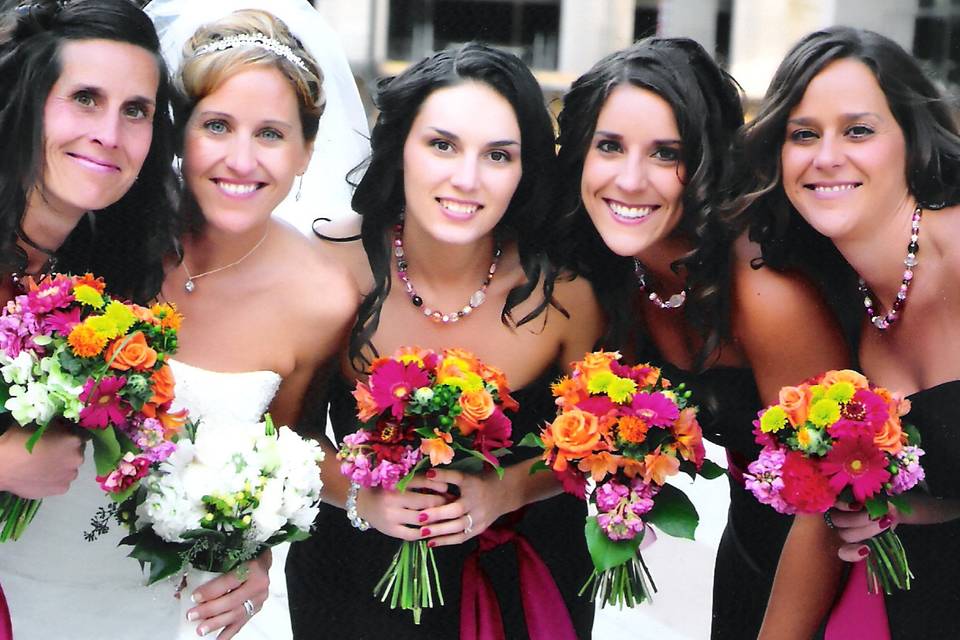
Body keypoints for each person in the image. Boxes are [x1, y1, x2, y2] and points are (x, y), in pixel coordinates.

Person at [287, 43, 603, 639]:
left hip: (524, 575)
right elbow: (288, 433)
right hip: (354, 580)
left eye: (499, 155)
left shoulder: (564, 294)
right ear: (400, 146)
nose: (467, 178)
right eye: (442, 144)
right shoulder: (330, 265)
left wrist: (506, 490)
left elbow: (595, 448)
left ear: (525, 169)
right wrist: (363, 496)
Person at [553, 37, 849, 639]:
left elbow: (831, 498)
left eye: (667, 154)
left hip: (835, 560)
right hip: (750, 541)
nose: (630, 180)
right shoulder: (614, 264)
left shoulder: (766, 294)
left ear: (709, 160)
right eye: (609, 146)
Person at [738, 27, 960, 640]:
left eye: (858, 130)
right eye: (803, 134)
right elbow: (824, 507)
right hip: (909, 605)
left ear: (912, 142)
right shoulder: (827, 289)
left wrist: (919, 505)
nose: (826, 156)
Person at [154, 7, 358, 639]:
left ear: (306, 153)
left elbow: (281, 455)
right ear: (180, 134)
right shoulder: (111, 245)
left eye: (270, 133)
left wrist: (256, 553)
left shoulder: (323, 301)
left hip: (187, 603)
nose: (241, 159)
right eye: (217, 125)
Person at [0, 1, 178, 637]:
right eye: (84, 98)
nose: (110, 133)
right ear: (27, 100)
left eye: (136, 110)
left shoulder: (98, 281)